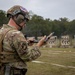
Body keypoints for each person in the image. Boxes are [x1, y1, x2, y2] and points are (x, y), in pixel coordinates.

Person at [0, 5, 46, 75]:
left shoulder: (2, 31)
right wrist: (39, 45)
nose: (25, 23)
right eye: (25, 19)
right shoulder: (16, 34)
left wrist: (26, 43)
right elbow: (27, 56)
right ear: (19, 18)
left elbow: (7, 47)